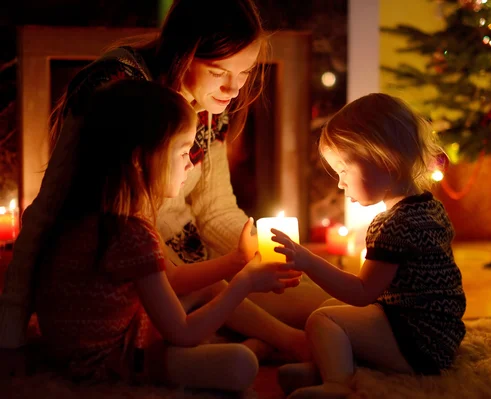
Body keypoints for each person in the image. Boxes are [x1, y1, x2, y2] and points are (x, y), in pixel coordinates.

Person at [0, 0, 328, 377]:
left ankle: (272, 339)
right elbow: (46, 210)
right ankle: (264, 342)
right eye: (219, 70)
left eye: (246, 72)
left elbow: (215, 210)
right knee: (274, 319)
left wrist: (255, 252)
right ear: (183, 53)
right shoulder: (117, 91)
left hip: (182, 265)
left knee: (318, 305)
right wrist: (10, 333)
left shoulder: (212, 102)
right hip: (126, 278)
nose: (234, 88)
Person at [32, 79, 308, 391]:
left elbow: (171, 279)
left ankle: (287, 341)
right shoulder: (129, 234)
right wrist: (245, 283)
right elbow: (182, 331)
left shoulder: (97, 214)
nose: (191, 163)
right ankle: (257, 347)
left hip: (97, 338)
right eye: (182, 152)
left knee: (210, 285)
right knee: (241, 365)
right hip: (110, 361)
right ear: (139, 160)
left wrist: (237, 262)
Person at [271, 93, 467, 398]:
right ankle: (327, 365)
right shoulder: (428, 207)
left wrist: (307, 260)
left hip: (419, 341)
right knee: (330, 309)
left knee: (323, 318)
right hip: (439, 331)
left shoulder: (395, 224)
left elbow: (361, 293)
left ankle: (338, 385)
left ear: (383, 161)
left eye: (344, 170)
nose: (340, 183)